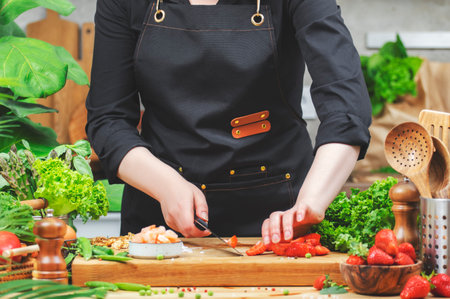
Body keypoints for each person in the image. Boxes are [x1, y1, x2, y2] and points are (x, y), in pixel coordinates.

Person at [86, 0, 372, 245]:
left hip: (279, 224)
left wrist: (310, 204)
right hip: (159, 230)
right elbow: (108, 119)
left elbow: (346, 106)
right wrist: (165, 184)